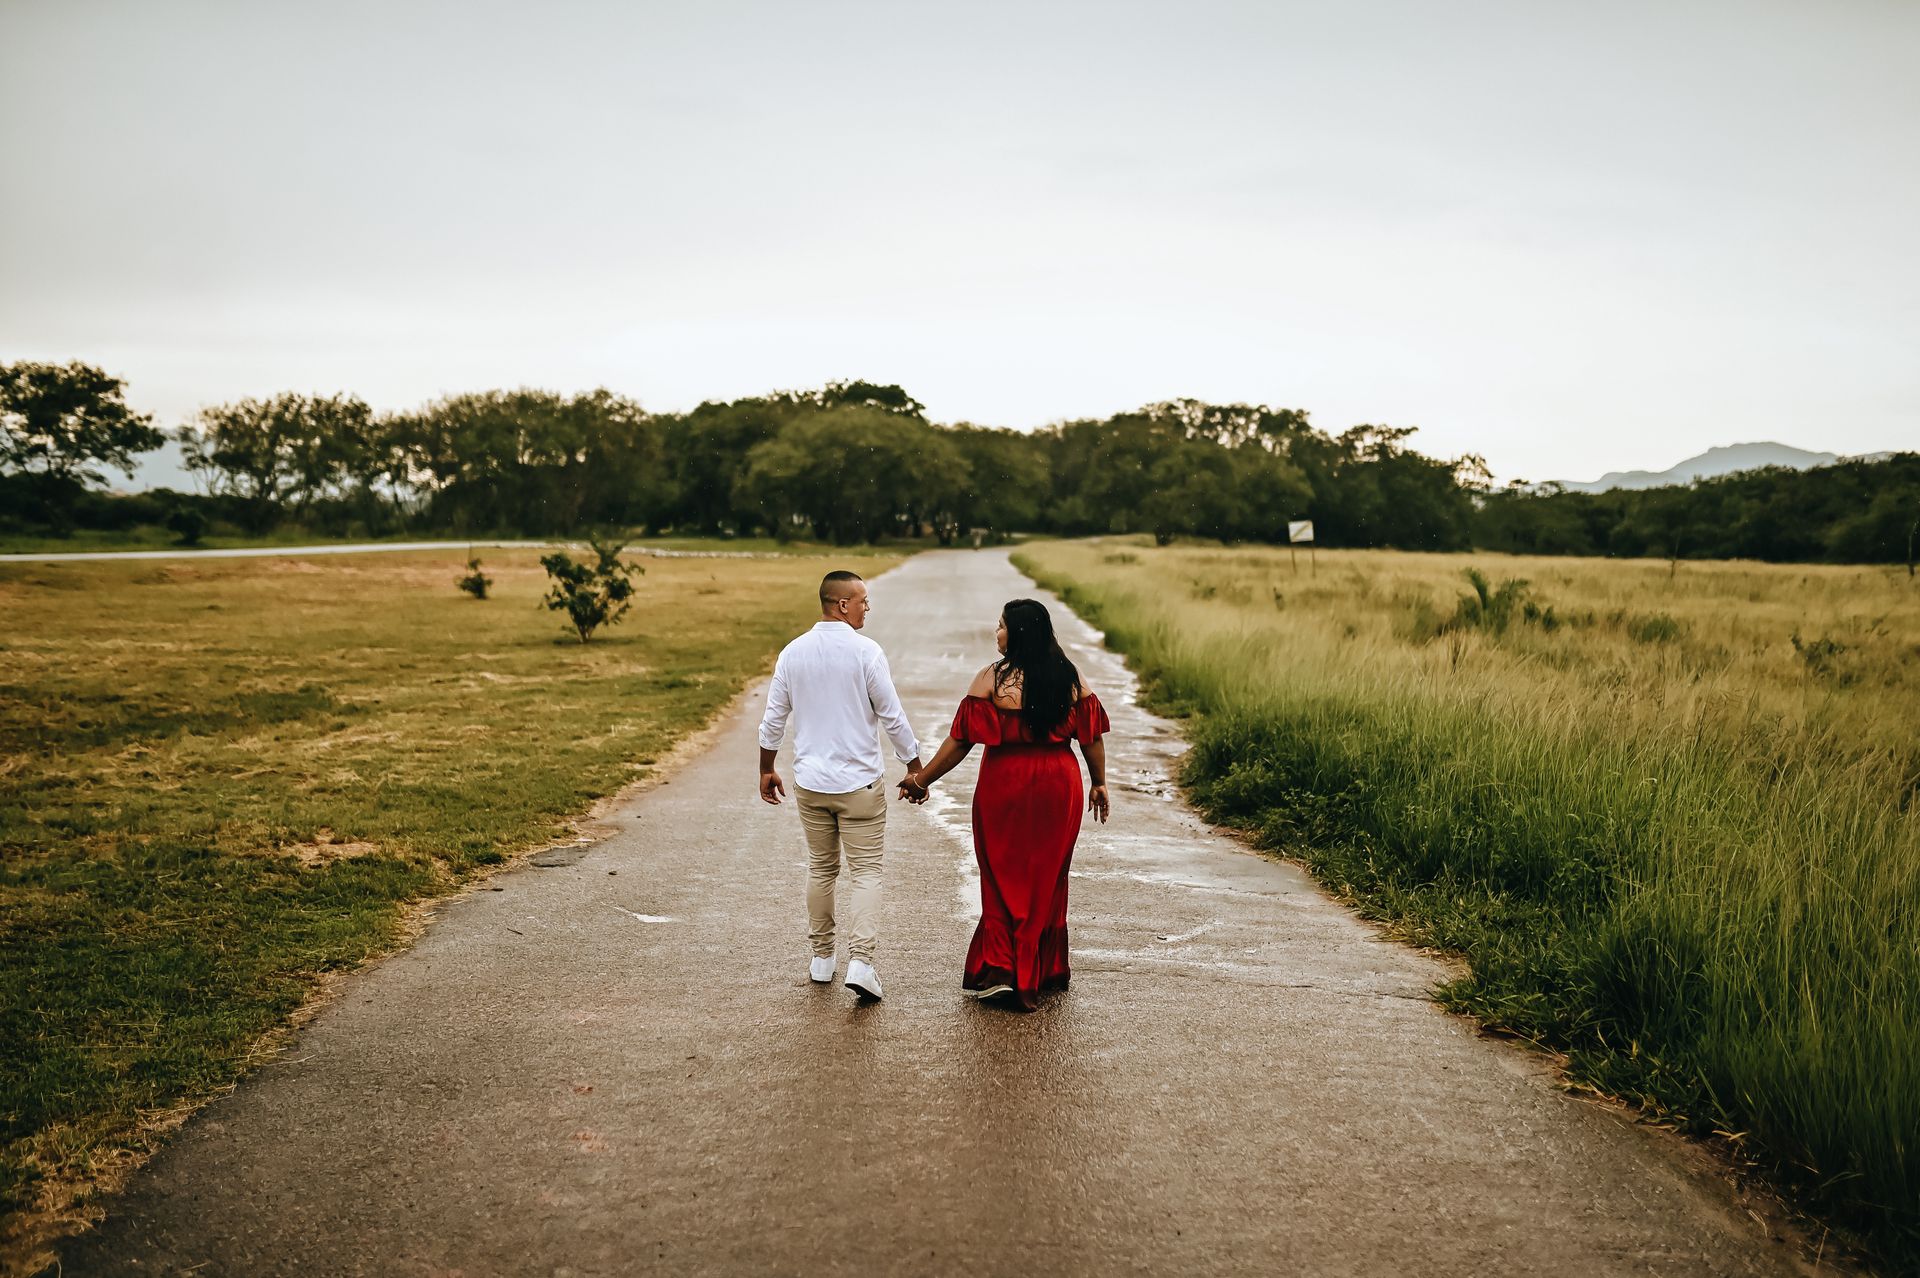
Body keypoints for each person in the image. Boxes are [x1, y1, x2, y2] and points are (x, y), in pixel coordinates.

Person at [900, 598, 1110, 1009]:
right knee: (1047, 876)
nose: (996, 632)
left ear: (1018, 632)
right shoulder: (1070, 678)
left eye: (1000, 625)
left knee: (999, 872)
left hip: (1004, 784)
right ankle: (1043, 969)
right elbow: (1091, 739)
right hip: (1057, 785)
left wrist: (922, 779)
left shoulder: (992, 679)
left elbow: (961, 741)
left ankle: (1001, 968)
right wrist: (1098, 783)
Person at [758, 571, 922, 1001]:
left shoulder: (793, 653)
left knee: (821, 868)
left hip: (811, 784)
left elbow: (774, 718)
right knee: (866, 871)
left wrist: (766, 768)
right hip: (859, 786)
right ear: (841, 604)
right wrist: (915, 767)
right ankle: (862, 963)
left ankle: (821, 958)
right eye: (863, 601)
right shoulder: (866, 653)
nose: (868, 607)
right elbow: (892, 715)